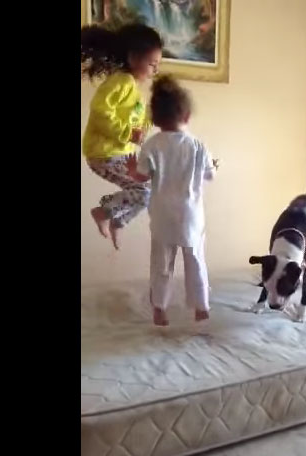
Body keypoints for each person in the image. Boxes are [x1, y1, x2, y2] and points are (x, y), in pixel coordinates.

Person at [125, 75, 216, 326]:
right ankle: (201, 308)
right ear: (187, 115)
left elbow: (142, 177)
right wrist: (213, 166)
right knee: (195, 260)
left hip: (162, 215)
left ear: (155, 119)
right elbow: (210, 175)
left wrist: (132, 170)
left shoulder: (152, 145)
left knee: (161, 264)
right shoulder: (198, 146)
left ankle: (160, 309)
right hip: (191, 216)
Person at [81, 23, 163, 249]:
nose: (155, 70)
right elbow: (100, 111)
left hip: (119, 153)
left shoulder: (132, 88)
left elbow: (136, 122)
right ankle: (104, 213)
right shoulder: (122, 82)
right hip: (104, 153)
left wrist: (150, 119)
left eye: (158, 65)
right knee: (145, 190)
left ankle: (117, 221)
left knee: (148, 190)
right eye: (152, 64)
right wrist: (127, 133)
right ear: (134, 58)